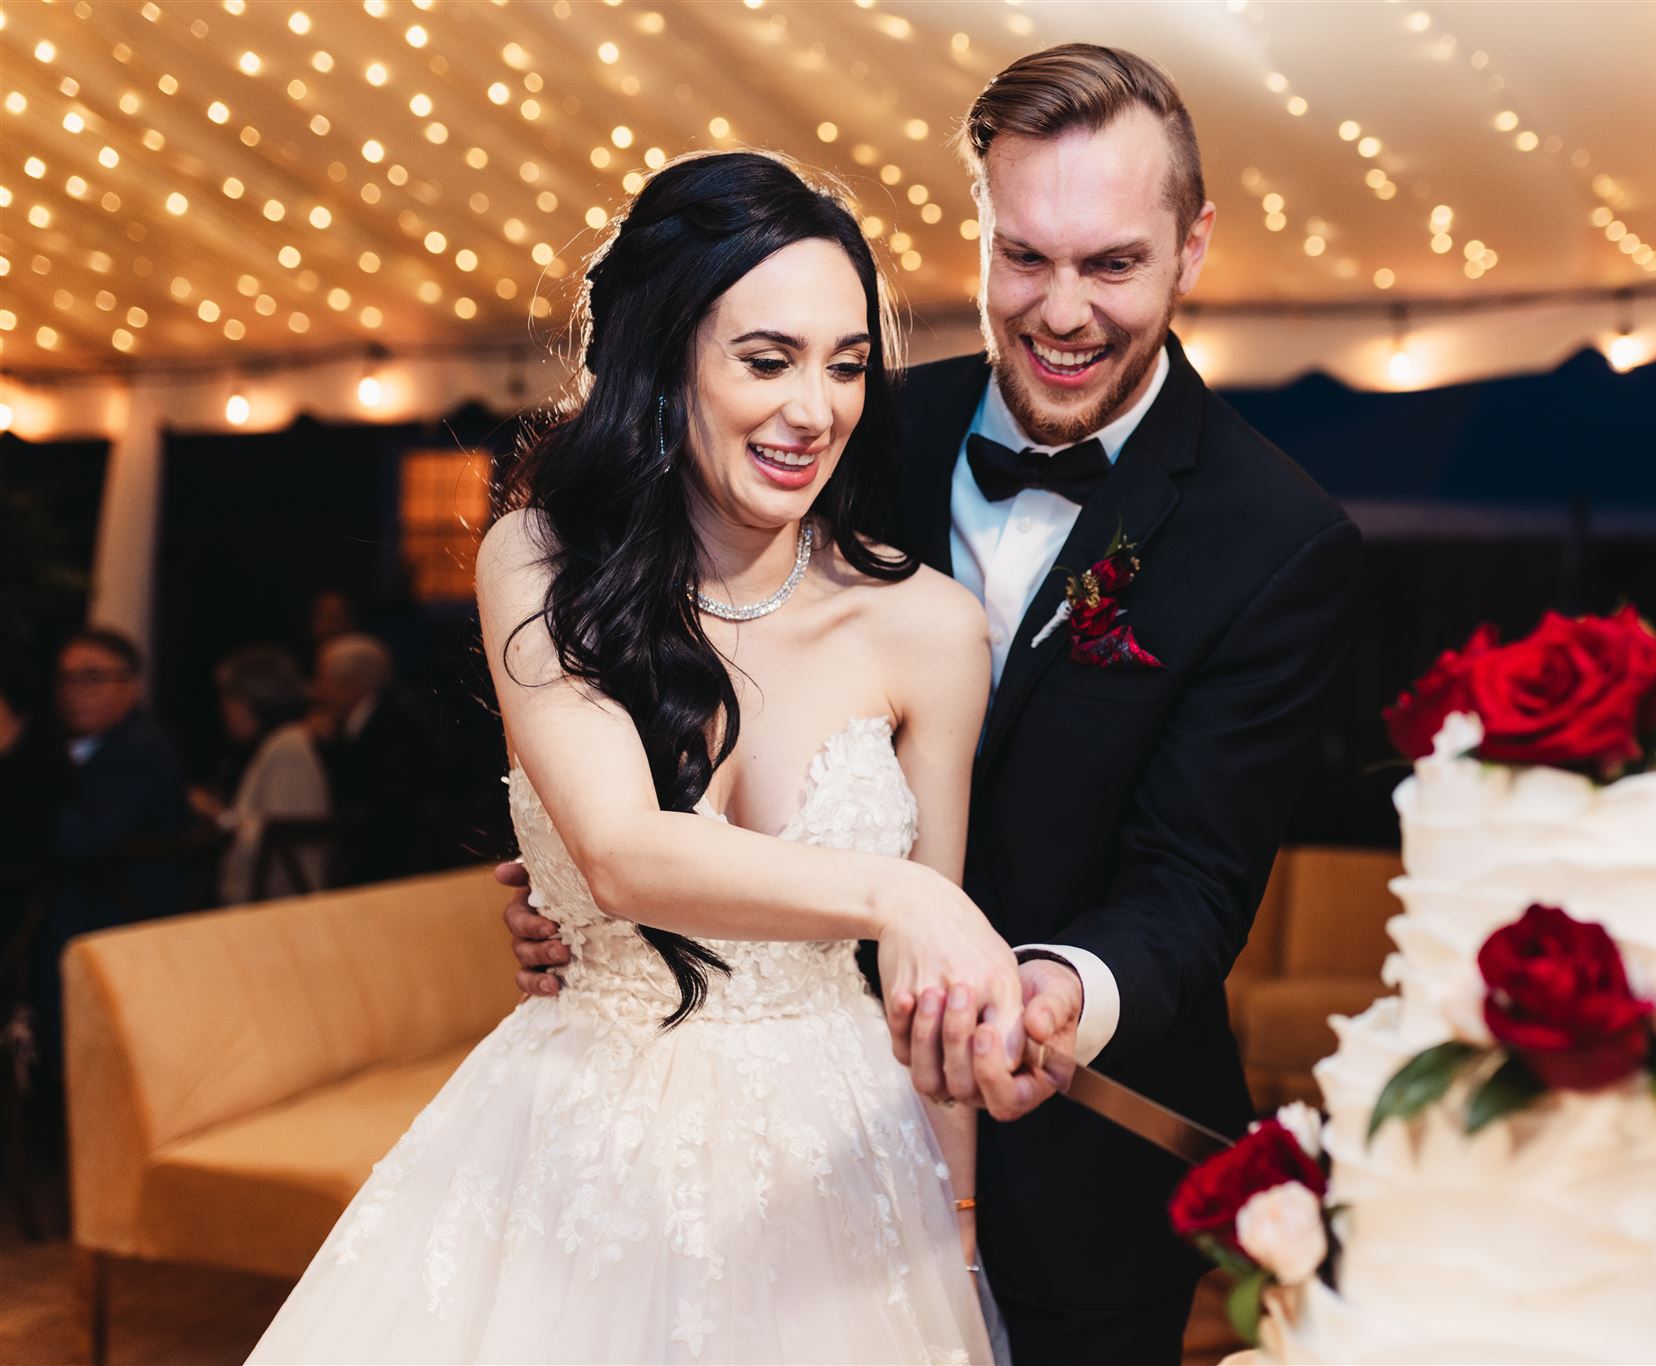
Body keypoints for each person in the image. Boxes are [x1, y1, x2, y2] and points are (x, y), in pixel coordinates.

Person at [505, 44, 1368, 1364]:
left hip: (1074, 1152)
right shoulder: (840, 419)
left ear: (1191, 248)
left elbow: (1191, 883)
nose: (1061, 311)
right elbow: (675, 673)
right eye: (1023, 257)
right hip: (750, 1141)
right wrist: (585, 885)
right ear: (978, 230)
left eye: (1111, 265)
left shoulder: (1277, 537)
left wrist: (1052, 990)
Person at [251, 150, 1007, 1363]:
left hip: (840, 1165)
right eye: (766, 359)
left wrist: (956, 1229)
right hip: (579, 1151)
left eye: (845, 363)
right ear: (663, 361)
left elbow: (933, 1011)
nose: (815, 409)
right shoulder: (538, 561)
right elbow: (617, 851)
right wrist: (900, 892)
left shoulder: (929, 626)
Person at [33, 629, 193, 1140]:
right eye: (66, 679)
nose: (74, 691)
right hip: (97, 910)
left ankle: (57, 1124)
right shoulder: (86, 748)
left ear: (131, 686)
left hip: (122, 921)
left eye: (92, 677)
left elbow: (87, 838)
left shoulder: (134, 750)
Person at [198, 645, 331, 905]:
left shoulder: (288, 747)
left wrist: (219, 817)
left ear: (251, 702)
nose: (224, 710)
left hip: (277, 905)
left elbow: (280, 836)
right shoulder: (279, 742)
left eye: (229, 700)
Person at [310, 633, 430, 885]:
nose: (316, 691)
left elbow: (371, 798)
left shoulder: (391, 727)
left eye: (324, 680)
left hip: (390, 868)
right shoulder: (369, 722)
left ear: (352, 683)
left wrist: (328, 747)